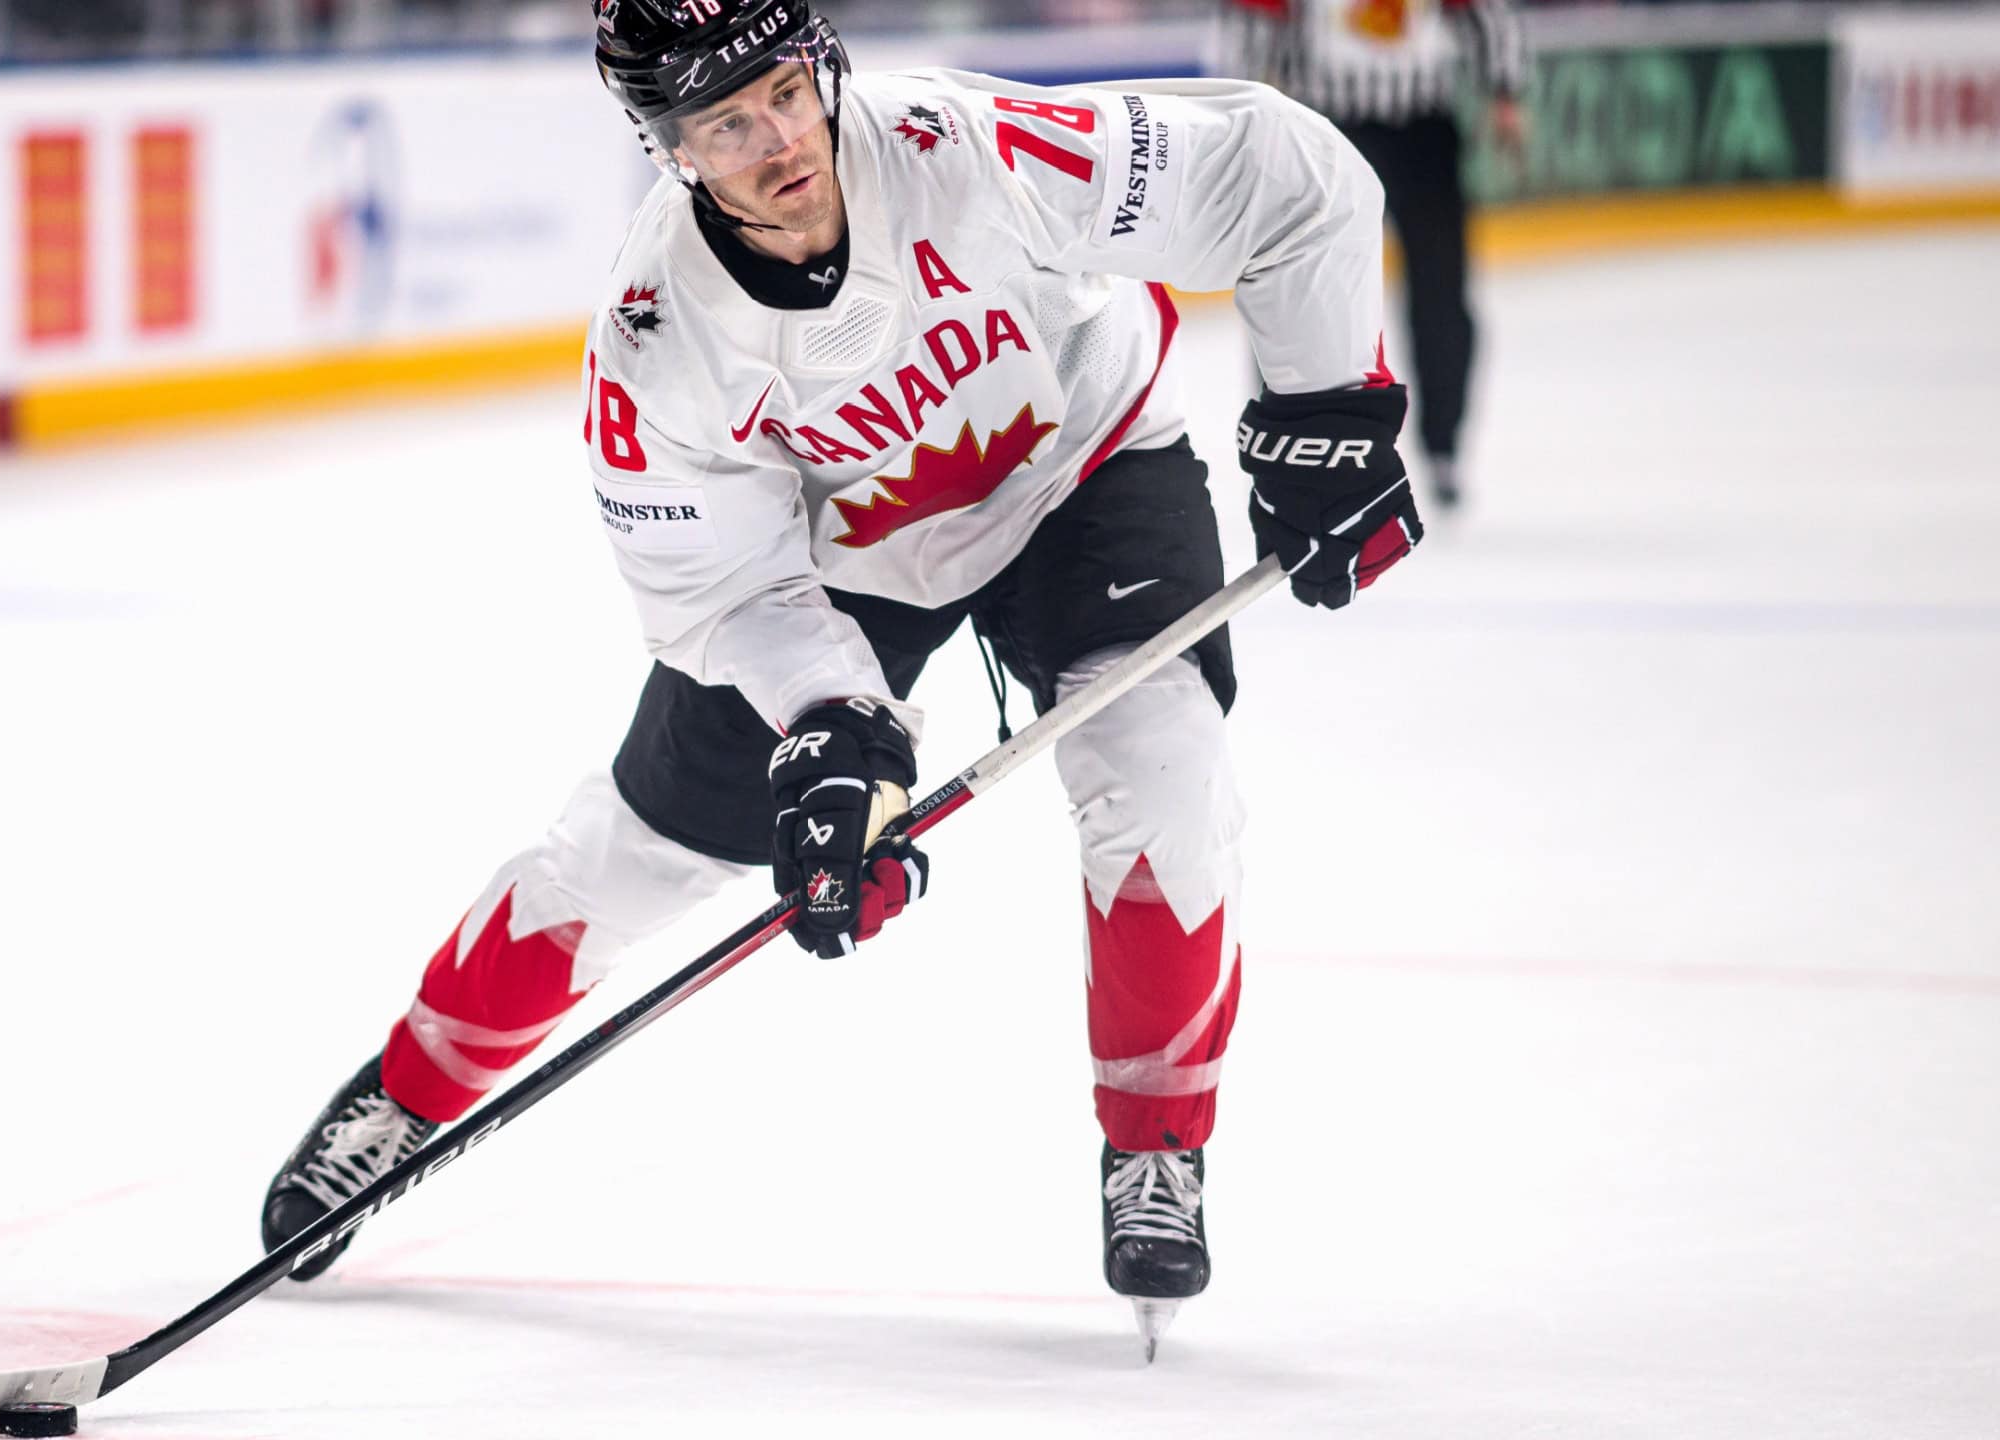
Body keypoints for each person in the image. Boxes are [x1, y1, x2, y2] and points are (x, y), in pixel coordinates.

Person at [260, 0, 1420, 1352]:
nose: (774, 141)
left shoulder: (968, 147)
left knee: (1163, 771)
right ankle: (403, 1096)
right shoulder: (654, 341)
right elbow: (724, 589)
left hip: (1088, 471)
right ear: (670, 147)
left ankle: (1156, 1145)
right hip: (843, 564)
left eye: (784, 92)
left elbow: (1282, 173)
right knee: (636, 858)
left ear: (826, 69)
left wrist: (1326, 407)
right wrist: (832, 742)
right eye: (723, 121)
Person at [1213, 0, 1526, 508]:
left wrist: (1505, 91)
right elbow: (1250, 22)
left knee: (1441, 293)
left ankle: (1443, 443)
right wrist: (1245, 112)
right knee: (1301, 293)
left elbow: (1483, 12)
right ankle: (1294, 438)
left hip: (1423, 128)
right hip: (1323, 127)